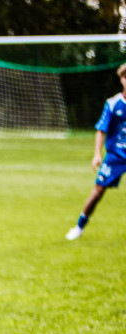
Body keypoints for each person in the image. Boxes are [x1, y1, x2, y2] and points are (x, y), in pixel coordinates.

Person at [67, 63, 126, 241]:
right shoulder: (113, 103)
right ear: (122, 79)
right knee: (98, 192)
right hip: (115, 156)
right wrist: (97, 154)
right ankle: (79, 227)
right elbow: (101, 130)